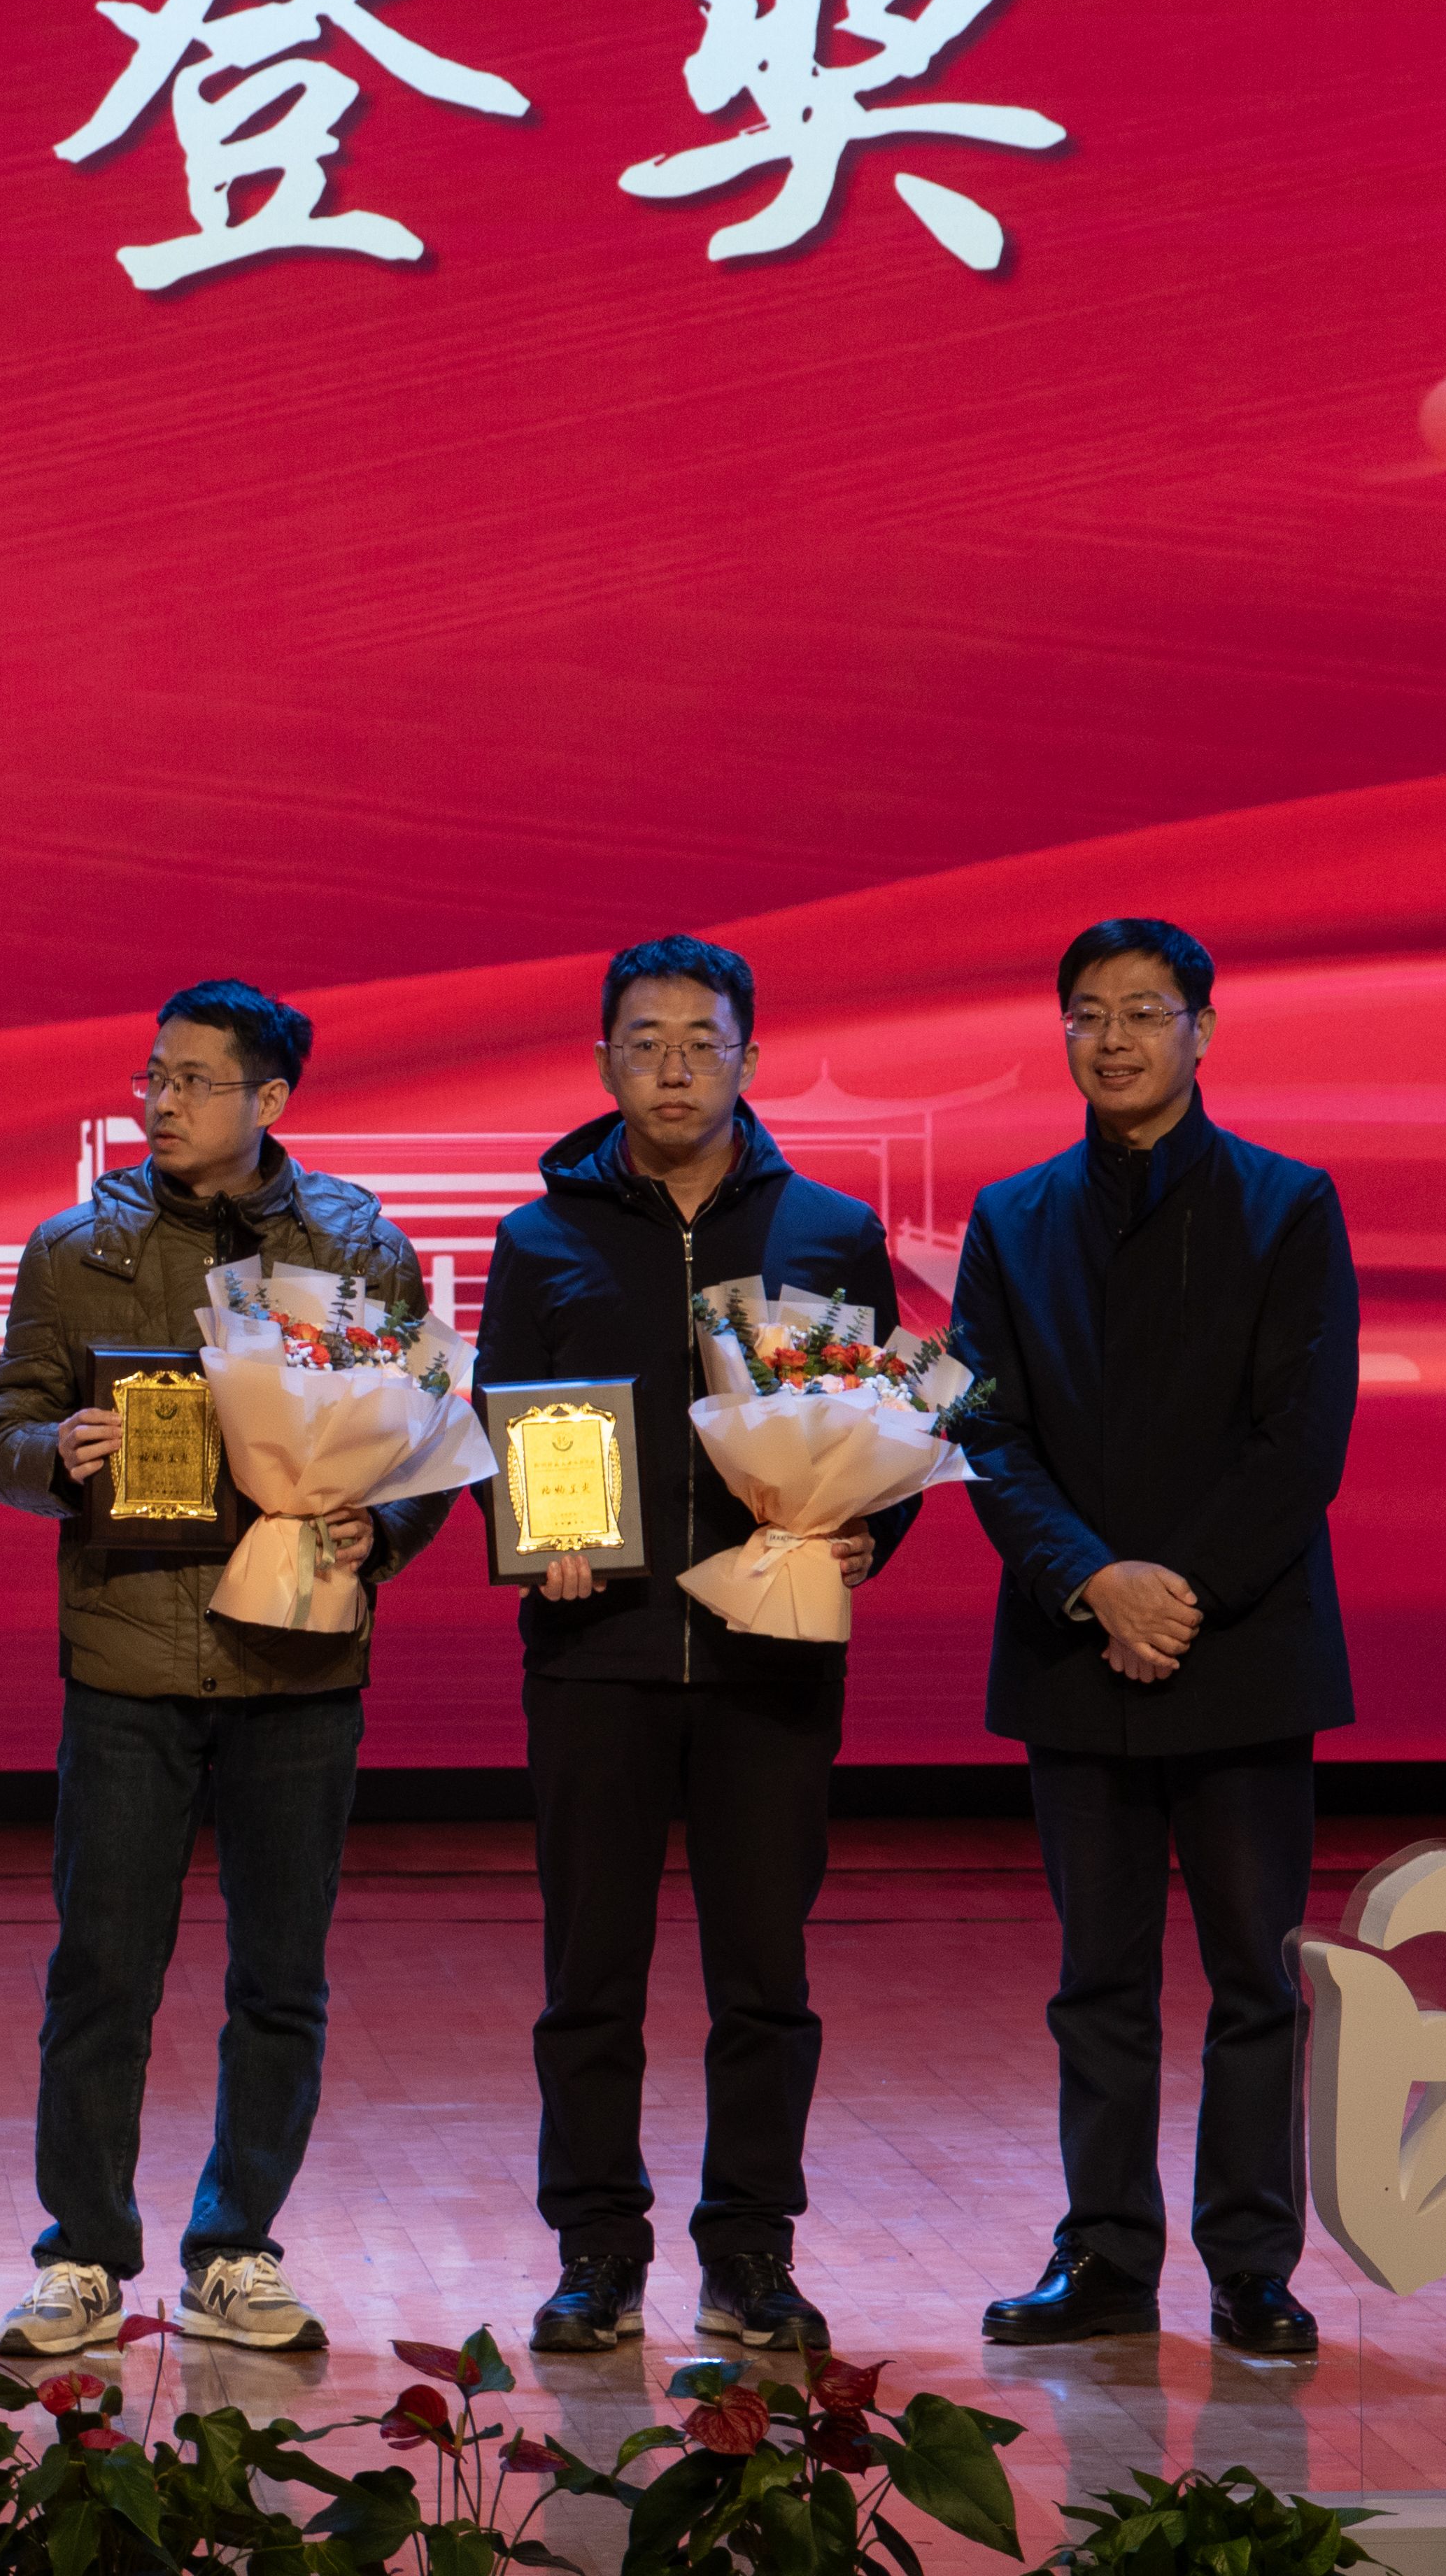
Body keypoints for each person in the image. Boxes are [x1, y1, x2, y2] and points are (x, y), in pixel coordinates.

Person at [0, 979, 456, 2358]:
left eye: (193, 1080)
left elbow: (425, 1439)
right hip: (129, 1656)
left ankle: (236, 2249)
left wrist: (384, 1530)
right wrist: (52, 1453)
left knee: (280, 1982)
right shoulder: (76, 1249)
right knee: (102, 1975)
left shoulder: (360, 1246)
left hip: (299, 1661)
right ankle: (82, 2254)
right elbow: (0, 1424)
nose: (162, 1102)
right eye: (153, 1077)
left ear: (271, 1098)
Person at [473, 936, 916, 2361]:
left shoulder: (829, 1231)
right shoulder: (540, 1237)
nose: (673, 1067)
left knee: (765, 1982)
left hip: (770, 1655)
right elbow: (498, 1418)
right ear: (604, 1060)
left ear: (749, 1058)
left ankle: (751, 2252)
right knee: (588, 1981)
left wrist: (866, 1535)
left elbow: (884, 1426)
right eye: (646, 1042)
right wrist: (530, 1529)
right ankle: (597, 2252)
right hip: (593, 1650)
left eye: (701, 1042)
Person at [958, 919, 1355, 2359]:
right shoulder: (1012, 1217)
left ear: (1203, 1029)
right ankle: (1106, 2255)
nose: (1112, 1038)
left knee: (1255, 1978)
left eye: (1143, 1011)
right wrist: (1094, 1583)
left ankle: (1253, 2262)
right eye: (1087, 1013)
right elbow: (986, 1430)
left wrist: (1173, 1594)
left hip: (1239, 1650)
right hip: (1078, 1648)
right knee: (1098, 1984)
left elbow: (1301, 1440)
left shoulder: (1286, 1204)